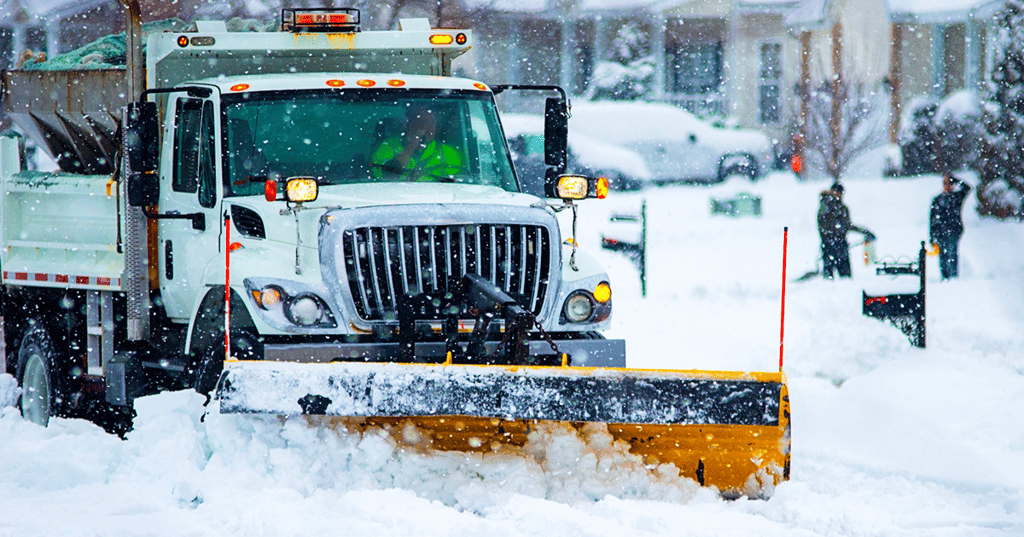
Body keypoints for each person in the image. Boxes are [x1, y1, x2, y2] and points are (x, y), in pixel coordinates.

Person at [370, 105, 465, 182]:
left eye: (431, 123)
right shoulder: (388, 147)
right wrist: (410, 147)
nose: (426, 128)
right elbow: (386, 178)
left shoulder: (448, 153)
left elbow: (457, 183)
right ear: (407, 126)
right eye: (421, 123)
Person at [930, 173, 971, 279]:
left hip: (953, 230)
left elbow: (967, 188)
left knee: (952, 253)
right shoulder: (937, 199)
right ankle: (944, 277)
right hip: (940, 232)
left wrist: (954, 179)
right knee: (942, 256)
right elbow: (932, 219)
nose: (947, 186)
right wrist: (932, 236)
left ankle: (953, 276)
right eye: (945, 183)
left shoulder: (956, 197)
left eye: (949, 183)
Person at [818, 182, 853, 279]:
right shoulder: (826, 207)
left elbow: (847, 225)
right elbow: (824, 225)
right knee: (828, 277)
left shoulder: (842, 208)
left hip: (840, 244)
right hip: (830, 244)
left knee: (846, 277)